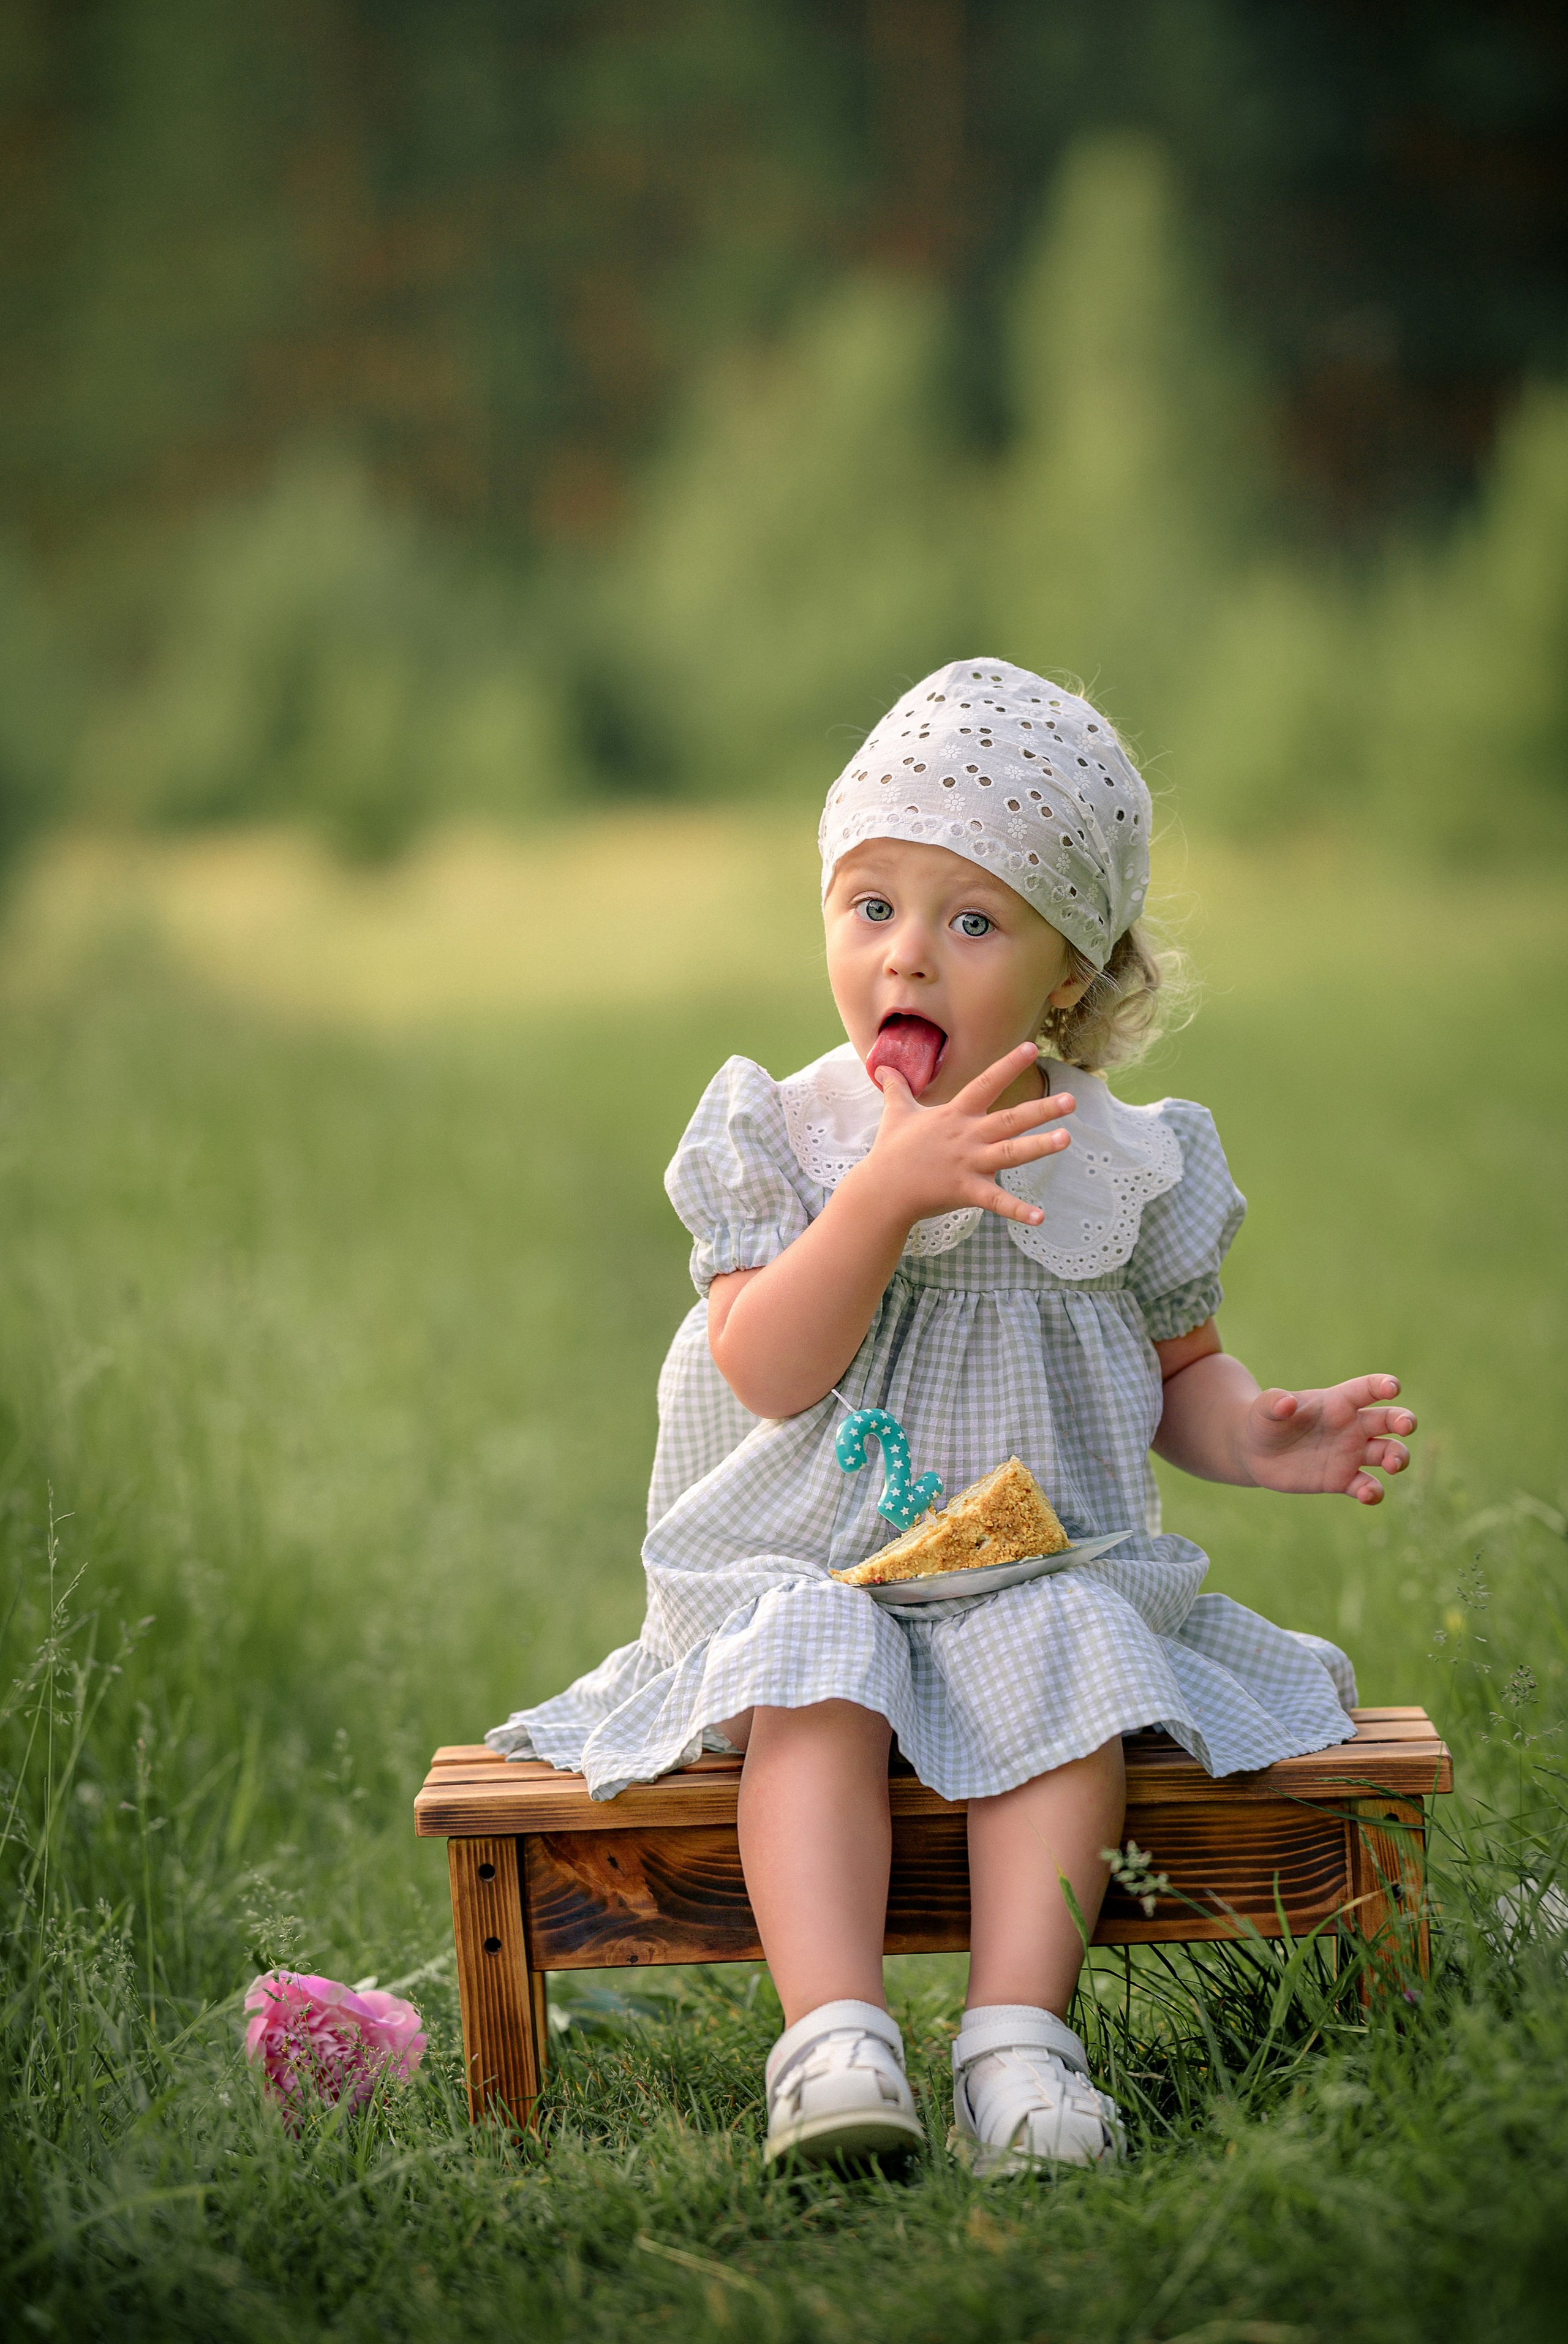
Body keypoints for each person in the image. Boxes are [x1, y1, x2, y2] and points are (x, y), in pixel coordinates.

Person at [486, 657, 1416, 2176]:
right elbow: (764, 1367)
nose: (904, 959)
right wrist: (875, 1199)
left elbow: (1181, 1371)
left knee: (1078, 1656)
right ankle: (836, 2040)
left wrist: (1251, 1434)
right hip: (808, 1564)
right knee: (813, 1665)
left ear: (1072, 970)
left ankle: (1017, 2046)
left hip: (1022, 1568)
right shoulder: (785, 1136)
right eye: (870, 908)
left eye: (969, 921)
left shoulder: (1123, 1163)